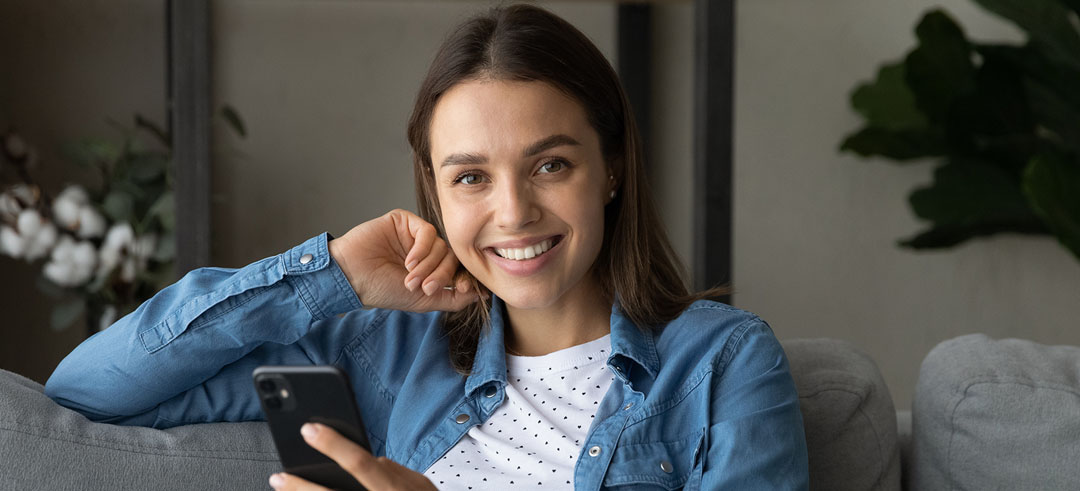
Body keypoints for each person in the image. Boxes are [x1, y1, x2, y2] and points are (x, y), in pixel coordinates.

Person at [45, 4, 808, 490]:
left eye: (550, 164)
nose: (513, 211)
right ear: (435, 192)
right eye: (471, 176)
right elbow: (89, 387)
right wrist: (330, 273)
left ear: (610, 167)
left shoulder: (723, 363)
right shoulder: (385, 352)